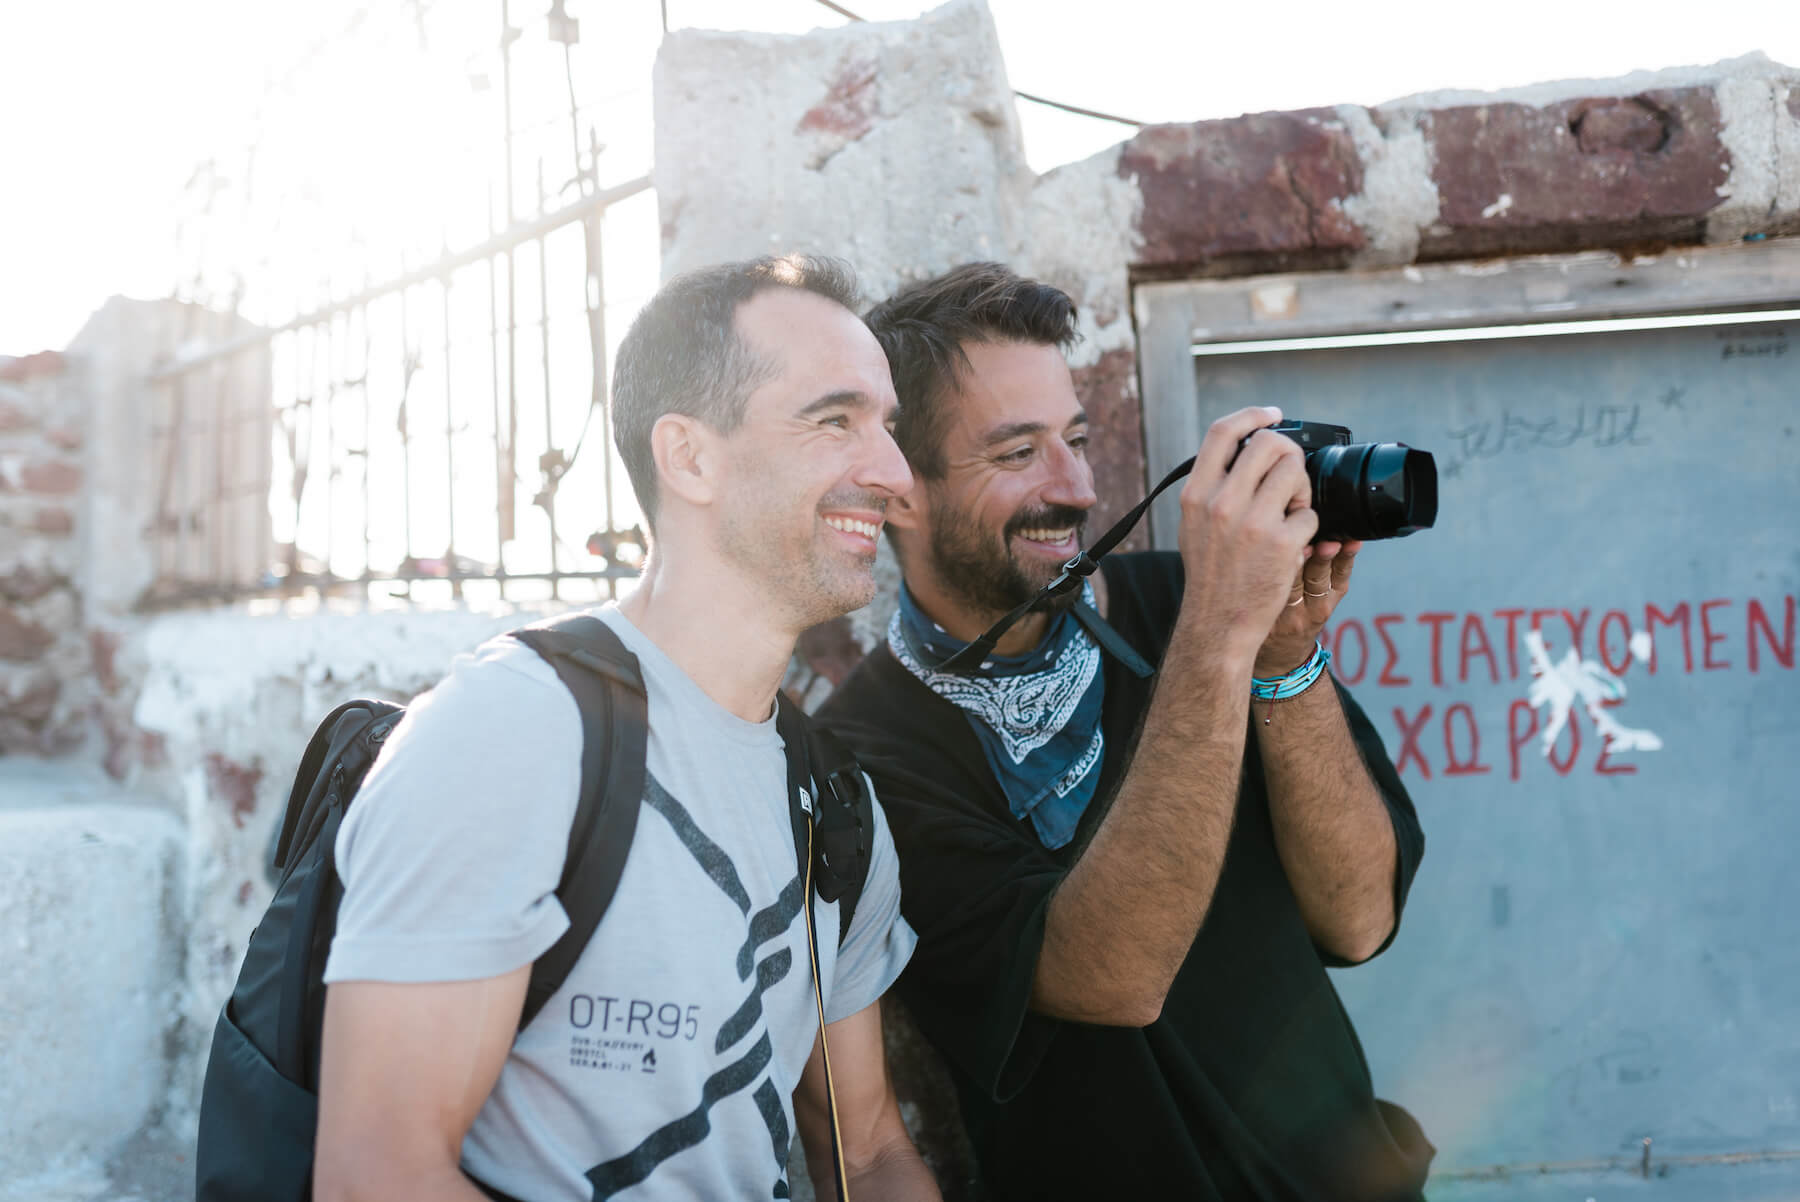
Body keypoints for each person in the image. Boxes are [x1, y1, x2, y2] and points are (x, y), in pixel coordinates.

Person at [312, 256, 942, 1202]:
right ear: (689, 457)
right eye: (834, 420)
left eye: (886, 428)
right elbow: (376, 1180)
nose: (895, 474)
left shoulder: (832, 802)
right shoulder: (512, 735)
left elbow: (871, 1149)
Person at [817, 263, 1432, 1200]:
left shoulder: (1194, 604)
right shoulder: (861, 759)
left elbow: (1359, 922)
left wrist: (1284, 662)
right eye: (1017, 454)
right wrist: (1223, 640)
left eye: (1076, 438)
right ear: (901, 489)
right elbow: (1108, 979)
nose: (1075, 487)